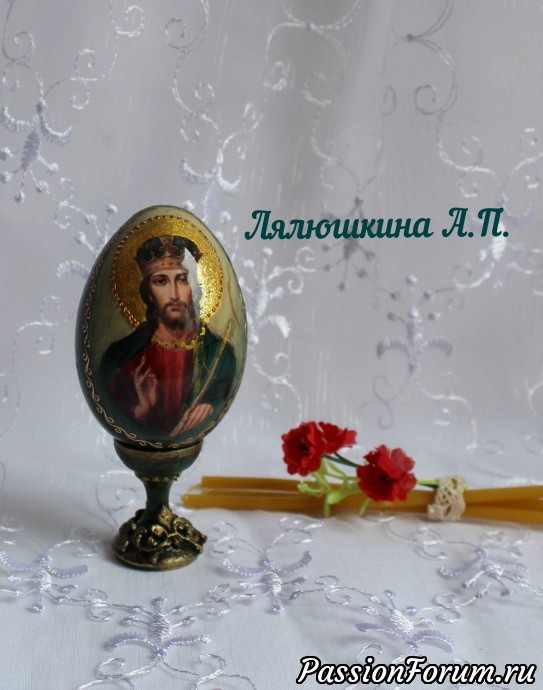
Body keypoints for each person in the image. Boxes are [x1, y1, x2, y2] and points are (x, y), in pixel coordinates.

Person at [100, 235, 235, 436]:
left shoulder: (220, 355)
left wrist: (208, 405)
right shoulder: (121, 356)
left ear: (194, 288)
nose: (174, 294)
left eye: (182, 279)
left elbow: (222, 389)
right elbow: (112, 406)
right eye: (161, 281)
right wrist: (141, 409)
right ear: (149, 292)